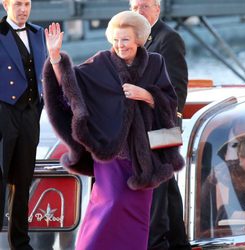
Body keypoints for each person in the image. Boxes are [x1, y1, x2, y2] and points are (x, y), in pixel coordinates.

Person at [42, 11, 185, 250]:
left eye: (126, 39)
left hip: (144, 158)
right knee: (108, 205)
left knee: (137, 220)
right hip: (112, 154)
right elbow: (70, 87)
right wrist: (56, 58)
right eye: (116, 40)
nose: (120, 45)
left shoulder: (156, 62)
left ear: (138, 39)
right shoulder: (100, 62)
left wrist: (147, 95)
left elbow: (171, 102)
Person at [129, 0, 190, 249]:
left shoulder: (169, 39)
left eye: (144, 6)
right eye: (134, 7)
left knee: (157, 190)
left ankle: (154, 243)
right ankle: (178, 242)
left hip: (164, 125)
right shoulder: (131, 38)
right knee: (167, 189)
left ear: (157, 9)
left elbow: (177, 90)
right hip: (143, 126)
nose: (138, 12)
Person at [0, 0, 47, 249]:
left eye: (27, 4)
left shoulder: (39, 34)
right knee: (0, 174)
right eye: (17, 4)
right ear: (5, 4)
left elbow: (44, 73)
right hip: (3, 111)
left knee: (23, 177)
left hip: (30, 113)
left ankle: (21, 241)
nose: (23, 9)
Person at [202, 133, 245, 234]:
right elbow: (223, 213)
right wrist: (244, 214)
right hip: (214, 233)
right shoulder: (223, 173)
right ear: (240, 157)